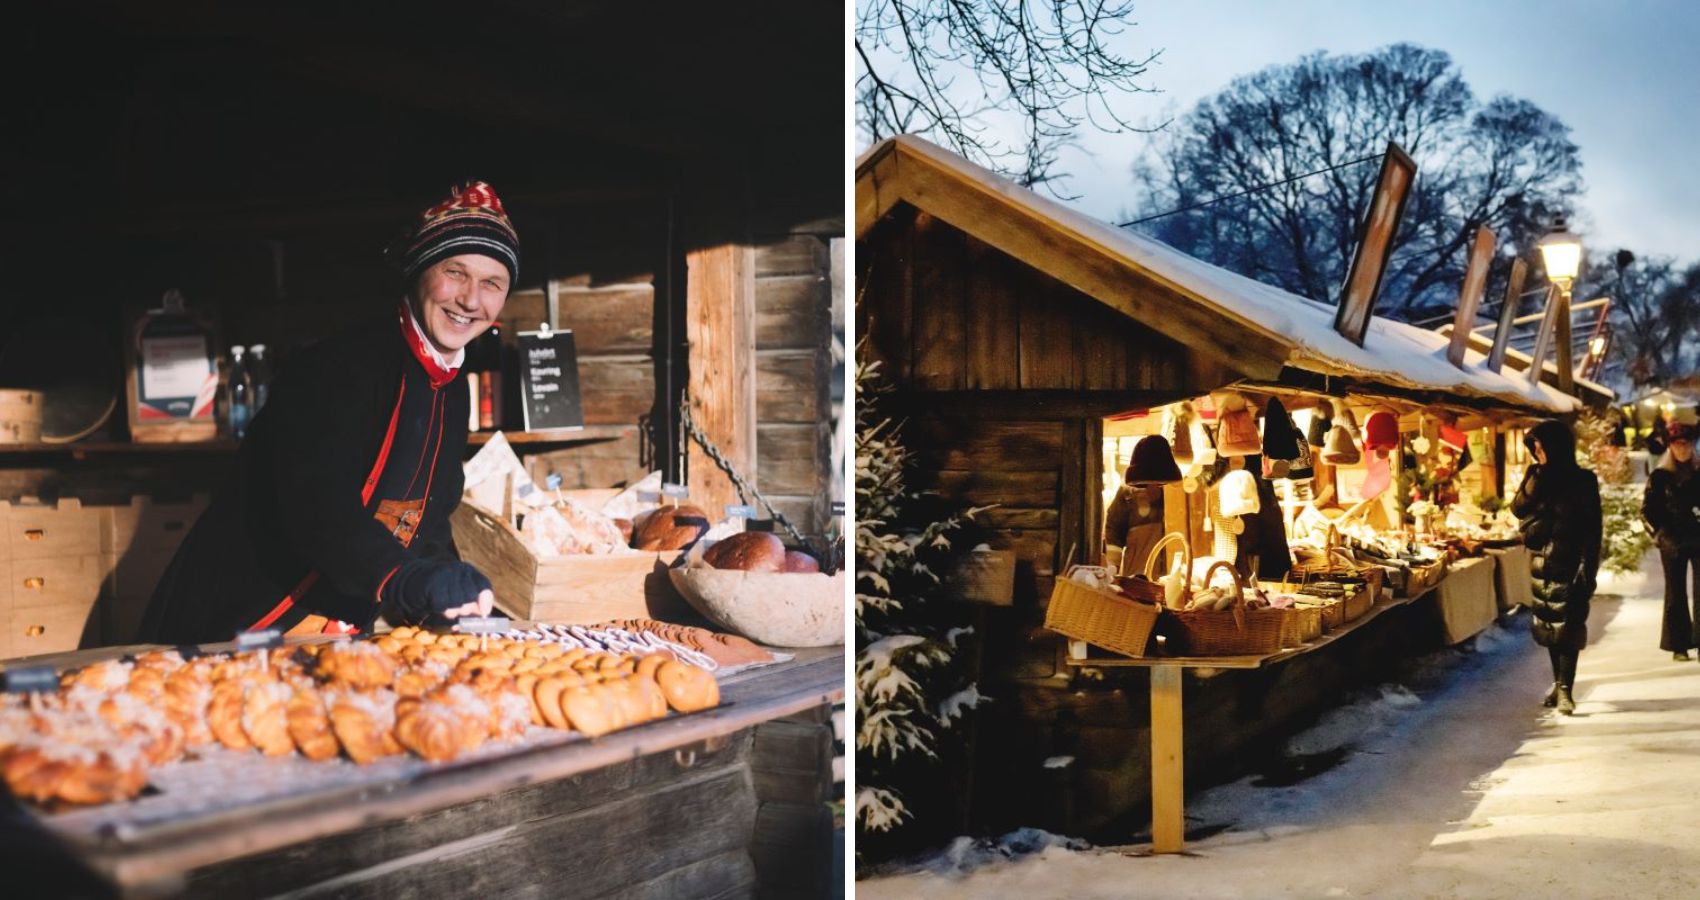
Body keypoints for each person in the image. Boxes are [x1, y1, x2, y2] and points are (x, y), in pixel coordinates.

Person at [139, 181, 518, 643]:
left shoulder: (453, 385)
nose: (471, 300)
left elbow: (429, 516)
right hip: (244, 619)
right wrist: (400, 579)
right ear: (420, 271)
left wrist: (446, 582)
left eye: (492, 283)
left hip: (337, 626)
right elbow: (316, 501)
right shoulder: (338, 365)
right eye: (456, 272)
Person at [1510, 419, 1602, 715]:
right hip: (1541, 563)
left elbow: (1593, 527)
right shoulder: (1536, 475)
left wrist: (1590, 566)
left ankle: (1565, 689)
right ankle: (1557, 683)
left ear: (1556, 446)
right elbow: (1518, 508)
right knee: (1550, 625)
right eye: (1534, 446)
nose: (1537, 451)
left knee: (1570, 626)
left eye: (1541, 445)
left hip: (1572, 562)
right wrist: (1538, 475)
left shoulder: (1583, 480)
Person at [1644, 420, 1700, 660]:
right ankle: (1678, 644)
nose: (1682, 450)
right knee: (1675, 591)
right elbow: (1648, 510)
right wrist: (1659, 534)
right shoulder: (1660, 476)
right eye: (1678, 445)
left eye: (1686, 445)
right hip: (1673, 540)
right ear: (1671, 447)